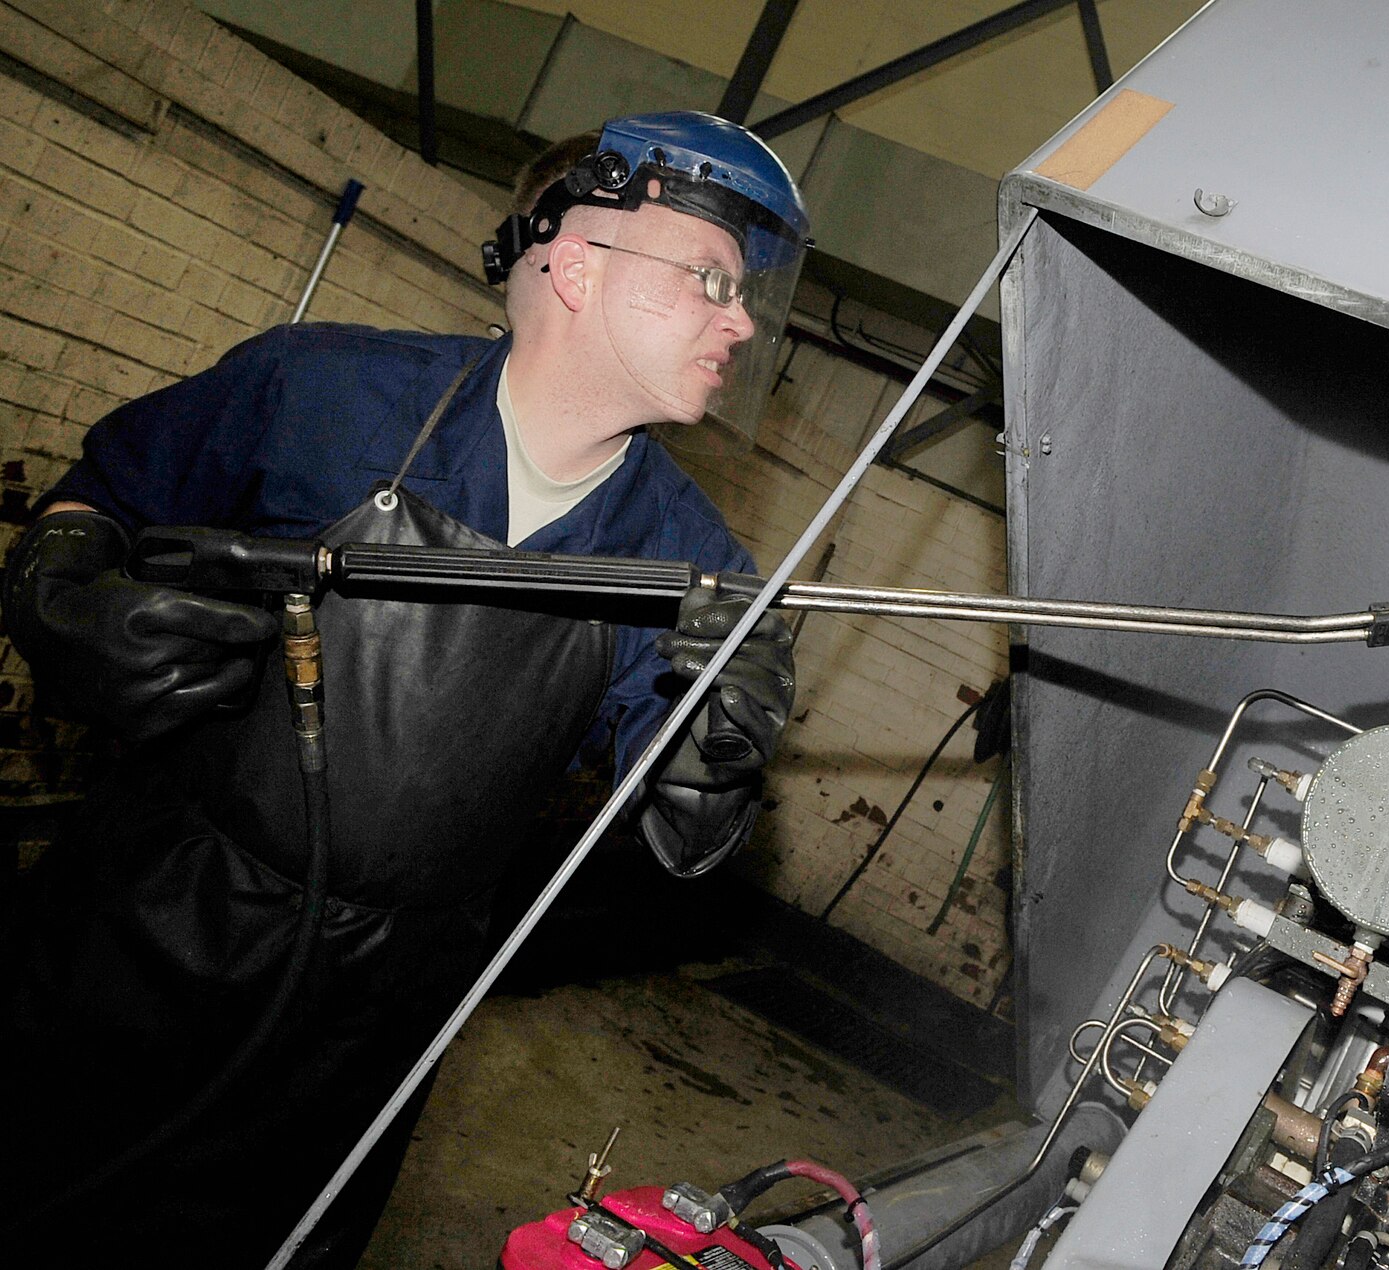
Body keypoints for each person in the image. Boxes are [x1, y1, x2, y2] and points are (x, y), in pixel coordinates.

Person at [1, 112, 806, 1266]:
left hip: (372, 1020)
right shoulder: (322, 387)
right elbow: (106, 491)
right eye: (709, 280)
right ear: (577, 264)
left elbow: (681, 834)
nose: (740, 321)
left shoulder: (693, 562)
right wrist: (60, 592)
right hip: (138, 923)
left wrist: (712, 758)